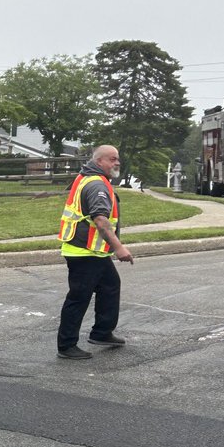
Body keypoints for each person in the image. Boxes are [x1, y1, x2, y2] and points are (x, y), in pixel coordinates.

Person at [56, 145, 134, 360]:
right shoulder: (97, 184)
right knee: (79, 297)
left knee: (110, 286)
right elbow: (100, 220)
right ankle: (66, 345)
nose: (117, 162)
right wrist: (119, 247)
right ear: (99, 161)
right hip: (84, 252)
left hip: (92, 252)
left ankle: (102, 332)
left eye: (117, 158)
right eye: (112, 159)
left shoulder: (89, 178)